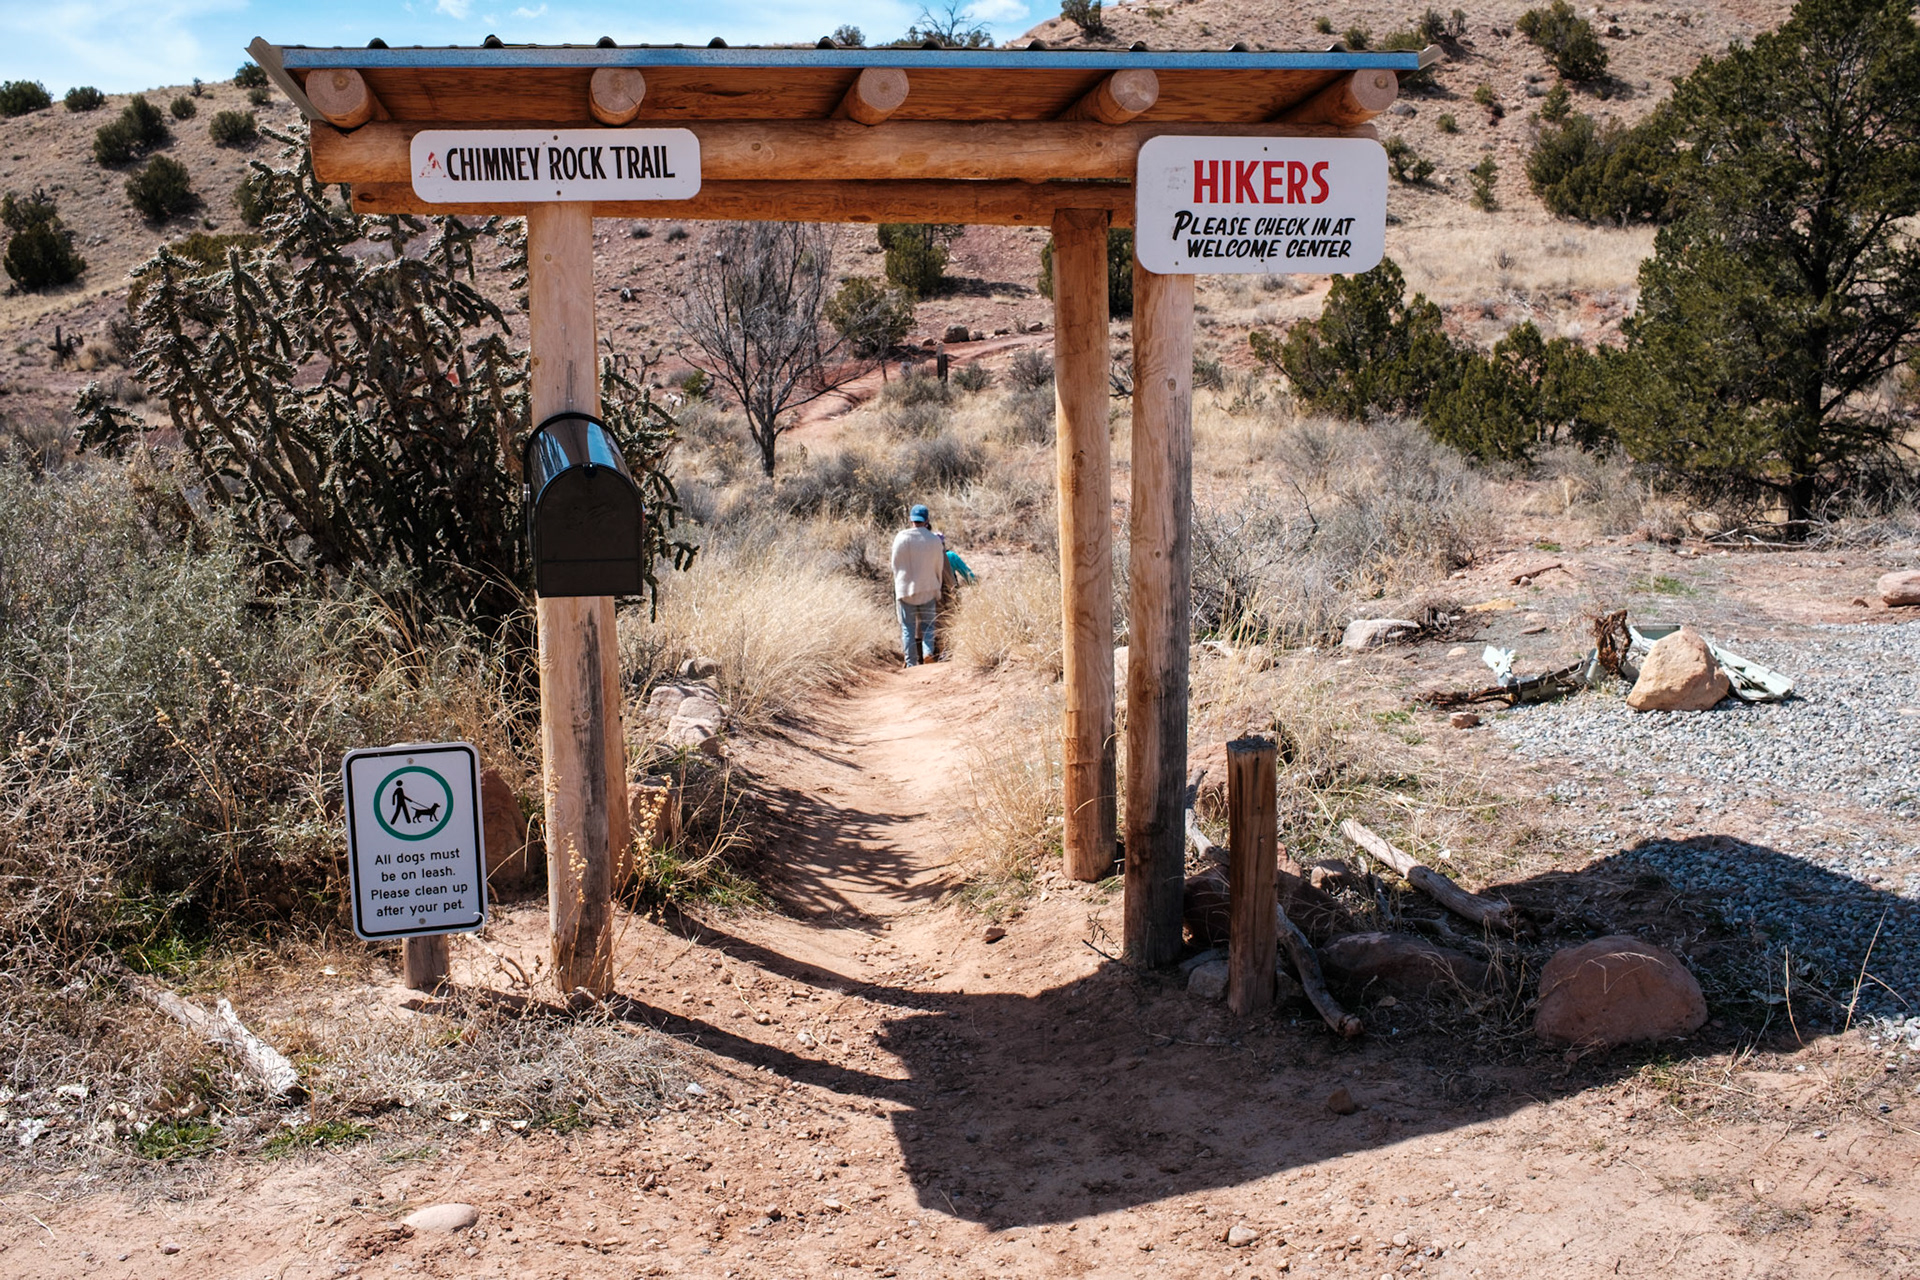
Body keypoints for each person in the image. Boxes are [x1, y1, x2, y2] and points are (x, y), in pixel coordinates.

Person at [890, 503, 946, 667]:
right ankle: (928, 653)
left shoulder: (901, 537)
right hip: (928, 588)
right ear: (927, 520)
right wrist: (937, 585)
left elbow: (895, 564)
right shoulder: (934, 540)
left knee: (908, 628)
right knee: (928, 625)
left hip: (906, 590)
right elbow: (939, 566)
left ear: (910, 520)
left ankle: (911, 663)